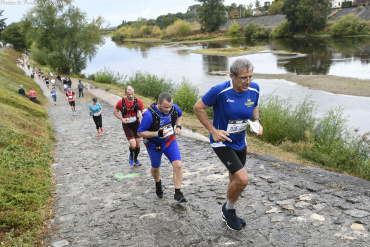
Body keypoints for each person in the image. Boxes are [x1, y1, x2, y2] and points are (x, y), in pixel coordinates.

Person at [193, 58, 263, 231]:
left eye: (250, 77)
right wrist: (213, 131)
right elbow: (198, 107)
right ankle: (227, 209)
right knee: (243, 179)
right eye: (243, 78)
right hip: (222, 142)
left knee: (234, 179)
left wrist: (256, 121)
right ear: (232, 76)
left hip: (240, 141)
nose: (248, 81)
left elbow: (254, 106)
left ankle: (230, 211)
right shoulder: (220, 91)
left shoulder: (254, 88)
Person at [138, 92, 187, 203]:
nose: (168, 109)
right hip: (154, 145)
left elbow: (180, 114)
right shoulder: (149, 115)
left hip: (170, 141)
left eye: (170, 107)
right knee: (155, 168)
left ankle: (178, 193)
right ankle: (158, 182)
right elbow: (140, 133)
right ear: (158, 103)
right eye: (165, 107)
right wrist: (157, 134)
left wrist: (178, 126)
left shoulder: (173, 108)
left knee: (178, 165)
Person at [113, 86, 144, 166]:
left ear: (134, 92)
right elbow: (115, 112)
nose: (130, 96)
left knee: (137, 144)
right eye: (128, 94)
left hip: (136, 124)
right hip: (127, 125)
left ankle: (136, 159)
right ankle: (131, 155)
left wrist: (141, 113)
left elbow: (143, 110)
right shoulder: (121, 102)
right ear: (125, 93)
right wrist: (122, 119)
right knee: (133, 145)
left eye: (132, 94)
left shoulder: (138, 101)